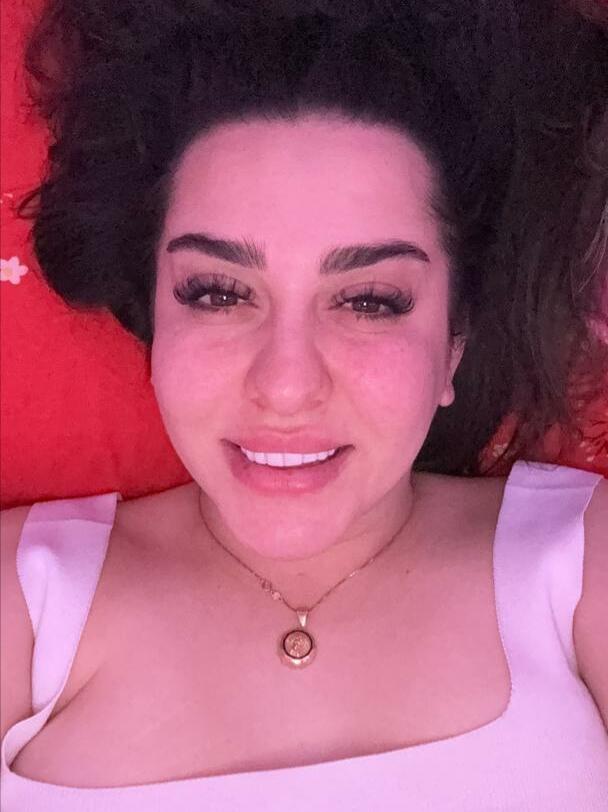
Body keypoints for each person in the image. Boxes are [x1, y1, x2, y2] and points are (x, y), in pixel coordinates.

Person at [1, 1, 607, 809]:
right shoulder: (26, 603)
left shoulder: (580, 567)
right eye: (218, 294)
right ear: (154, 317)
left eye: (368, 302)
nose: (285, 386)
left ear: (455, 341)